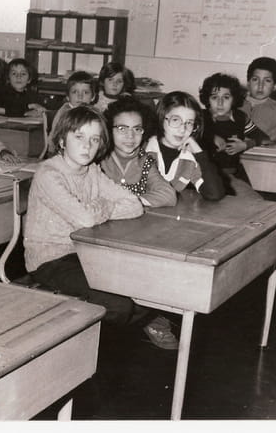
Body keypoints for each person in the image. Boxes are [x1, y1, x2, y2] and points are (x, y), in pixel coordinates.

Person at [23, 105, 178, 349]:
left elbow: (134, 205)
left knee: (147, 289)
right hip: (49, 259)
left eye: (94, 139)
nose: (87, 146)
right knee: (120, 305)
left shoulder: (91, 170)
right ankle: (78, 346)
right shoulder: (49, 173)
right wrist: (101, 208)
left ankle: (90, 335)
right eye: (79, 137)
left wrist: (98, 207)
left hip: (83, 252)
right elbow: (85, 220)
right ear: (62, 140)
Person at [144, 91, 225, 201]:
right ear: (161, 119)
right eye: (175, 120)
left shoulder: (189, 158)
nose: (183, 129)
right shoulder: (143, 150)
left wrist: (199, 153)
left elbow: (214, 194)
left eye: (189, 123)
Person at [199, 72, 267, 199]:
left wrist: (245, 145)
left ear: (234, 99)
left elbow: (263, 138)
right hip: (206, 176)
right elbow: (188, 138)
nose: (220, 103)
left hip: (234, 174)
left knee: (254, 200)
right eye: (214, 97)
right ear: (207, 99)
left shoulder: (240, 118)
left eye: (226, 97)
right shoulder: (200, 117)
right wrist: (211, 137)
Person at [100, 97, 176, 207]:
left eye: (137, 129)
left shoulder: (145, 162)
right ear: (109, 130)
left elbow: (169, 195)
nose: (130, 136)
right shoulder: (99, 161)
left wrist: (129, 202)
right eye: (122, 128)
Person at [240, 56, 276, 141]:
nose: (260, 85)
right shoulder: (234, 103)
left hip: (261, 149)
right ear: (248, 82)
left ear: (275, 86)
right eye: (255, 79)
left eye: (267, 81)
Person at [48, 70, 97, 155]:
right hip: (60, 152)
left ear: (93, 97)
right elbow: (57, 140)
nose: (80, 96)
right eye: (75, 92)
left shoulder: (93, 113)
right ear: (67, 96)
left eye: (85, 92)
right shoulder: (65, 112)